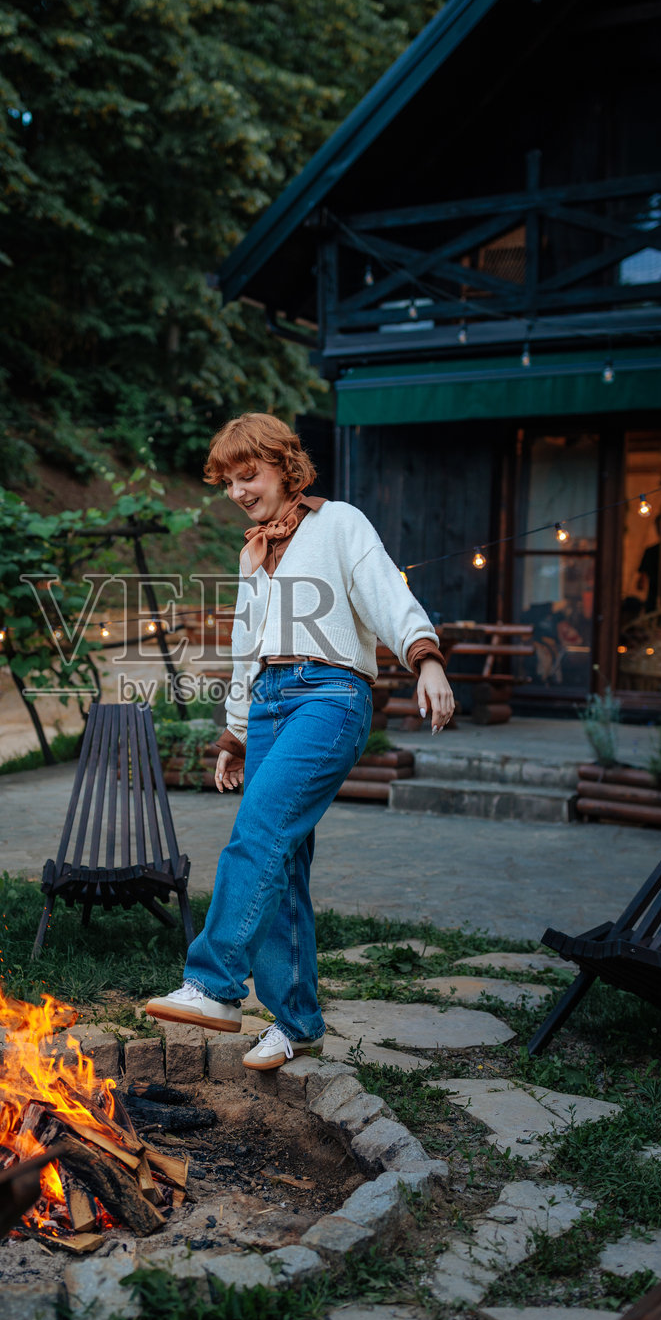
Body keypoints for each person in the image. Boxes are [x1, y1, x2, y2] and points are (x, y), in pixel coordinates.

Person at [145, 414, 455, 1070]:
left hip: (328, 697)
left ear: (286, 466)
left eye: (247, 475)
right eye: (227, 481)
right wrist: (233, 731)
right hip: (268, 705)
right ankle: (298, 1022)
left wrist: (424, 656)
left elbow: (383, 591)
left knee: (256, 833)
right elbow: (243, 647)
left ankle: (213, 985)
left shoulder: (338, 522)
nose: (237, 490)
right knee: (280, 862)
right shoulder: (251, 551)